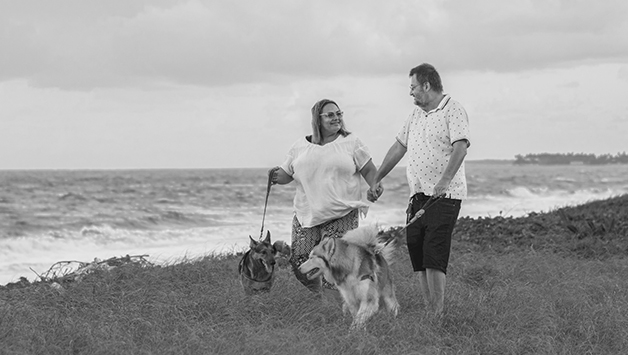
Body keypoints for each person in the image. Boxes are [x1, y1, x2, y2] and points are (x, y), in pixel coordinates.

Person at [368, 63, 470, 315]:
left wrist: (444, 180)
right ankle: (430, 310)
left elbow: (461, 147)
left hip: (444, 197)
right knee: (419, 256)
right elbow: (398, 147)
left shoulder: (453, 110)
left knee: (434, 256)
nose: (410, 93)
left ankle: (437, 315)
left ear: (426, 85)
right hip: (417, 196)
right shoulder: (414, 115)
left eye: (413, 87)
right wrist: (377, 177)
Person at [269, 99, 378, 293]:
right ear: (317, 119)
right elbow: (287, 174)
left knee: (336, 263)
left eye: (339, 113)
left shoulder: (351, 142)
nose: (336, 118)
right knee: (300, 262)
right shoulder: (299, 146)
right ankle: (318, 297)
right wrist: (275, 176)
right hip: (306, 215)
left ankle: (336, 307)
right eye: (330, 115)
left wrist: (375, 185)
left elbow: (368, 169)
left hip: (341, 213)